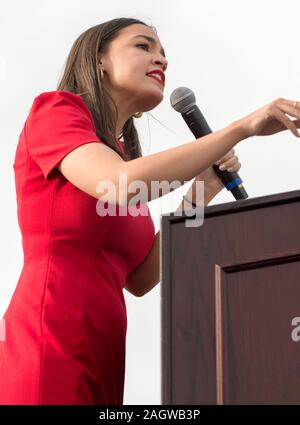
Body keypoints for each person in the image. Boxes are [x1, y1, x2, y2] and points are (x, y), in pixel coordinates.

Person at [0, 17, 299, 406]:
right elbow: (119, 184)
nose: (160, 60)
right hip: (50, 335)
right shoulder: (56, 111)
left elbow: (140, 279)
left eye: (163, 55)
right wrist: (242, 127)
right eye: (143, 47)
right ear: (99, 59)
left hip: (103, 348)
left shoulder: (120, 158)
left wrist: (202, 191)